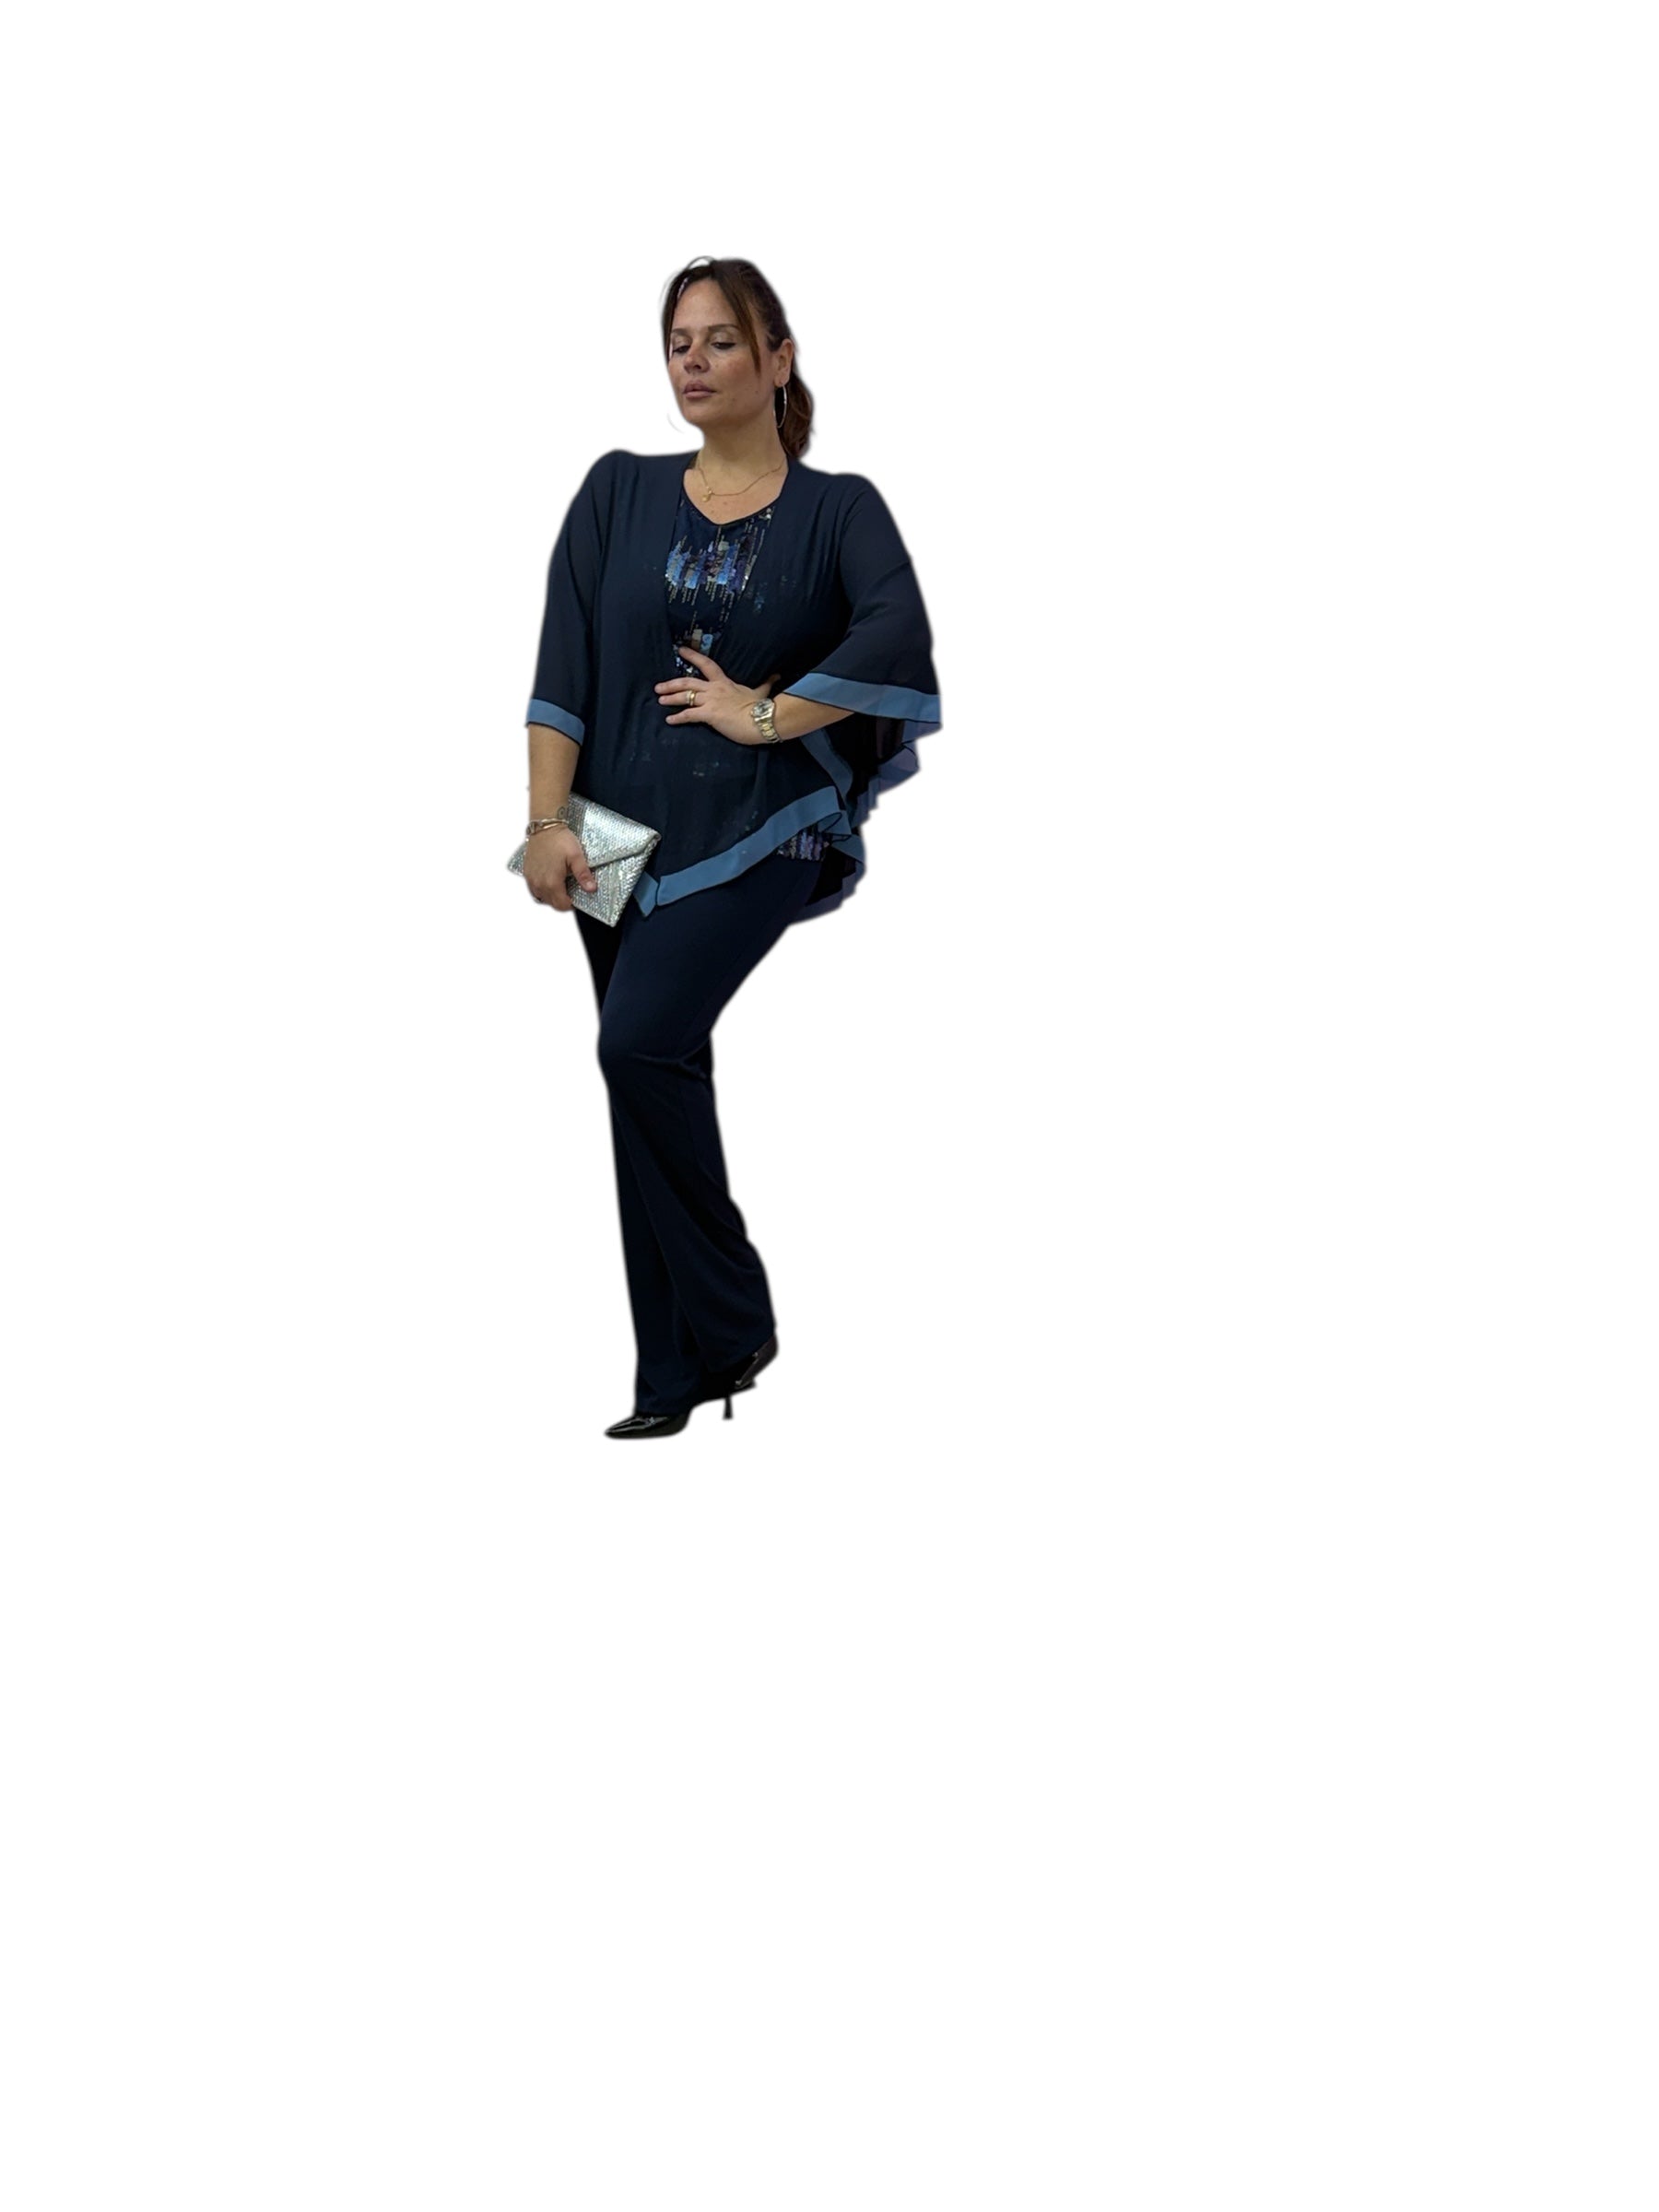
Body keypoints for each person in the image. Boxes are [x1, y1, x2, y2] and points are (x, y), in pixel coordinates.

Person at [518, 255, 942, 1440]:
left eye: (720, 341)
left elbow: (896, 631)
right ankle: (673, 1374)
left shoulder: (838, 509)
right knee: (642, 1083)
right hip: (607, 832)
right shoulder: (616, 490)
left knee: (637, 1043)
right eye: (678, 343)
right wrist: (546, 825)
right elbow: (562, 670)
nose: (694, 362)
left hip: (764, 827)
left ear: (777, 358)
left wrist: (763, 714)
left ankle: (733, 1316)